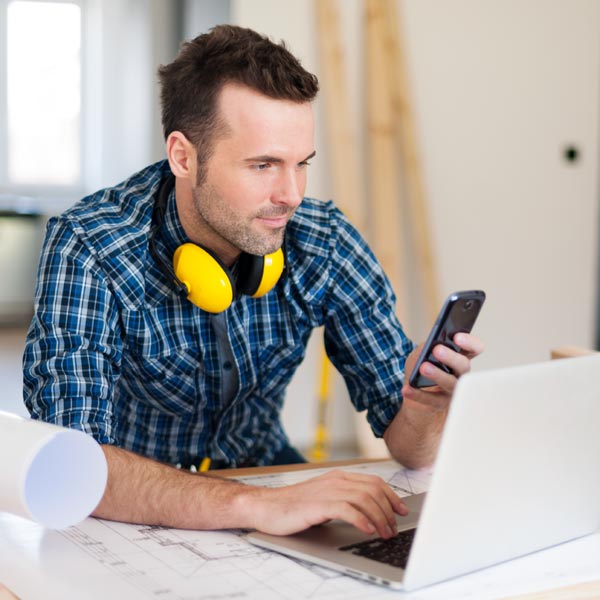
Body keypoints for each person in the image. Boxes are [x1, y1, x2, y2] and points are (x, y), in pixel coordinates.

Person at [23, 25, 483, 539]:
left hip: (265, 473)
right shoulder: (90, 244)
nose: (290, 195)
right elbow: (72, 466)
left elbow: (411, 448)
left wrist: (425, 407)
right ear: (182, 156)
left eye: (301, 164)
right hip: (133, 505)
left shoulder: (322, 238)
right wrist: (258, 507)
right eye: (263, 164)